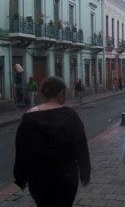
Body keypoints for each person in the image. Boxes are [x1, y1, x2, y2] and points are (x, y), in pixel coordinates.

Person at [14, 76, 91, 207]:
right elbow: (81, 147)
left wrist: (20, 176)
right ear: (61, 93)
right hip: (66, 177)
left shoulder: (28, 119)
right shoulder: (71, 116)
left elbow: (21, 150)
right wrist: (85, 171)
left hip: (38, 178)